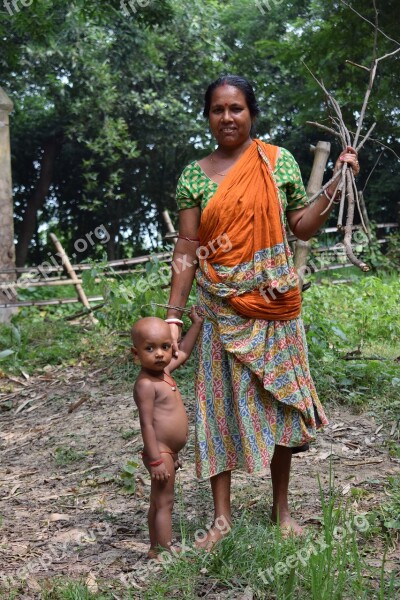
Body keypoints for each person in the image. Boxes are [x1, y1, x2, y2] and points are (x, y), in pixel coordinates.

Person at [166, 75, 360, 547]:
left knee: (282, 404)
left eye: (236, 109)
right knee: (217, 407)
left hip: (274, 305)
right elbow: (189, 247)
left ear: (251, 112)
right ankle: (221, 519)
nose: (227, 118)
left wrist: (335, 183)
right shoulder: (194, 176)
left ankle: (282, 510)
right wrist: (174, 314)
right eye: (218, 110)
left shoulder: (277, 163)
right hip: (219, 308)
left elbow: (303, 227)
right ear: (207, 116)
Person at [131, 307, 204, 558]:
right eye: (150, 349)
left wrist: (196, 324)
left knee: (159, 500)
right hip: (160, 452)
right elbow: (147, 424)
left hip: (168, 452)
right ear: (135, 354)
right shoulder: (145, 385)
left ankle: (155, 548)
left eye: (164, 346)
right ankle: (162, 549)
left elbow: (183, 351)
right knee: (164, 502)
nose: (160, 354)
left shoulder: (164, 372)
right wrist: (155, 459)